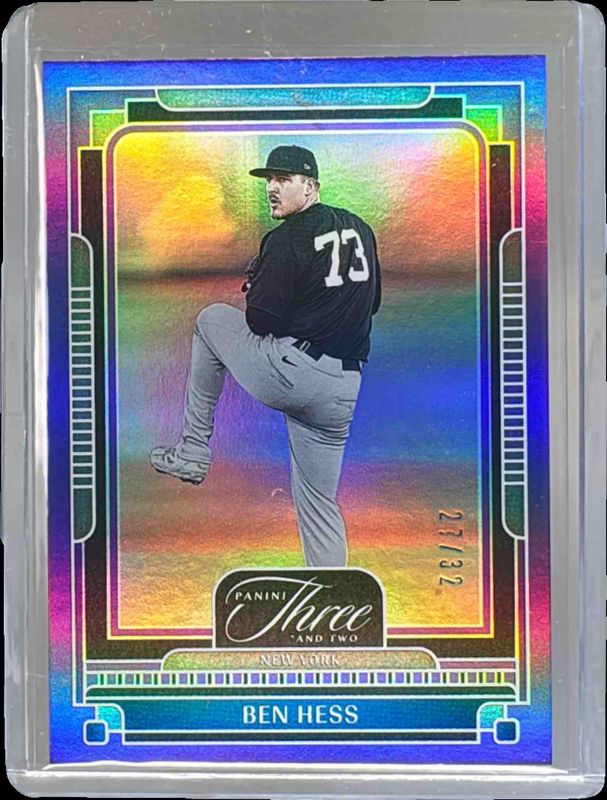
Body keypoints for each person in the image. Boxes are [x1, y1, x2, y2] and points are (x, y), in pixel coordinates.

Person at [150, 145, 381, 567]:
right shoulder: (360, 227)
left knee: (210, 319)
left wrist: (260, 287)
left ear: (310, 186)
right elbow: (372, 303)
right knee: (319, 501)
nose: (272, 188)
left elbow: (259, 322)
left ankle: (193, 451)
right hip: (343, 391)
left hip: (291, 375)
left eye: (284, 179)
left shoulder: (286, 238)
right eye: (269, 180)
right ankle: (333, 588)